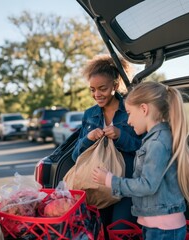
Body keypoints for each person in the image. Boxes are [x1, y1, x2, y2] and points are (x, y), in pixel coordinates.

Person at [92, 81, 189, 240]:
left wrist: (110, 180)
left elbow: (147, 185)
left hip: (162, 229)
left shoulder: (157, 143)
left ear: (144, 109)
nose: (128, 121)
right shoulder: (157, 139)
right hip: (159, 225)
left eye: (129, 113)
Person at [71, 54, 143, 237]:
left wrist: (120, 136)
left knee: (121, 232)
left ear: (115, 86)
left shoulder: (131, 110)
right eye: (92, 90)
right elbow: (75, 156)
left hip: (125, 186)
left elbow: (144, 149)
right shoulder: (89, 115)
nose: (97, 94)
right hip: (95, 187)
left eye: (102, 88)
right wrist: (88, 138)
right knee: (98, 232)